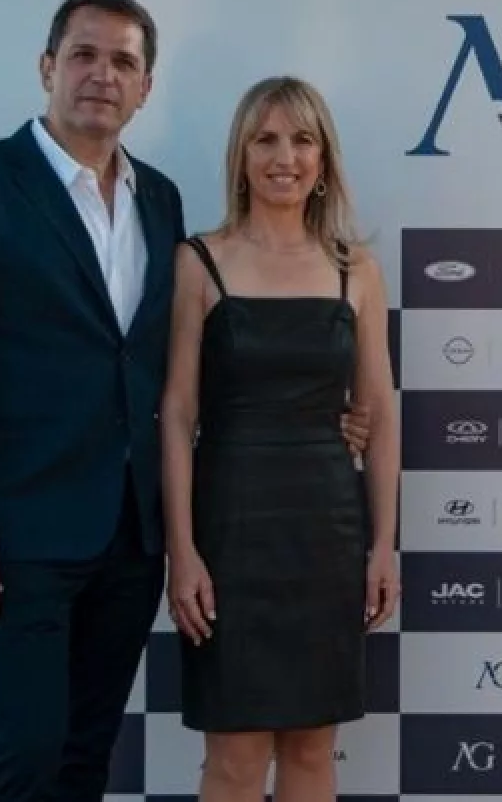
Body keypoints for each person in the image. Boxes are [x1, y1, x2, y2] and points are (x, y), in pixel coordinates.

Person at [0, 0, 369, 802]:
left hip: (129, 540)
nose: (102, 75)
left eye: (123, 62)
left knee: (86, 759)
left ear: (145, 87)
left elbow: (168, 369)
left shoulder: (160, 200)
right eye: (83, 55)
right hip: (14, 537)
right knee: (22, 762)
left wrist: (318, 417)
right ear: (47, 67)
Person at [159, 74, 399, 802]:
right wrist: (181, 552)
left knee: (311, 750)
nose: (283, 157)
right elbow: (177, 412)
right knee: (233, 757)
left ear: (323, 160)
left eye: (301, 140)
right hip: (230, 530)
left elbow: (380, 413)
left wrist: (382, 546)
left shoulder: (356, 269)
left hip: (327, 531)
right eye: (264, 139)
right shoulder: (199, 260)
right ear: (241, 156)